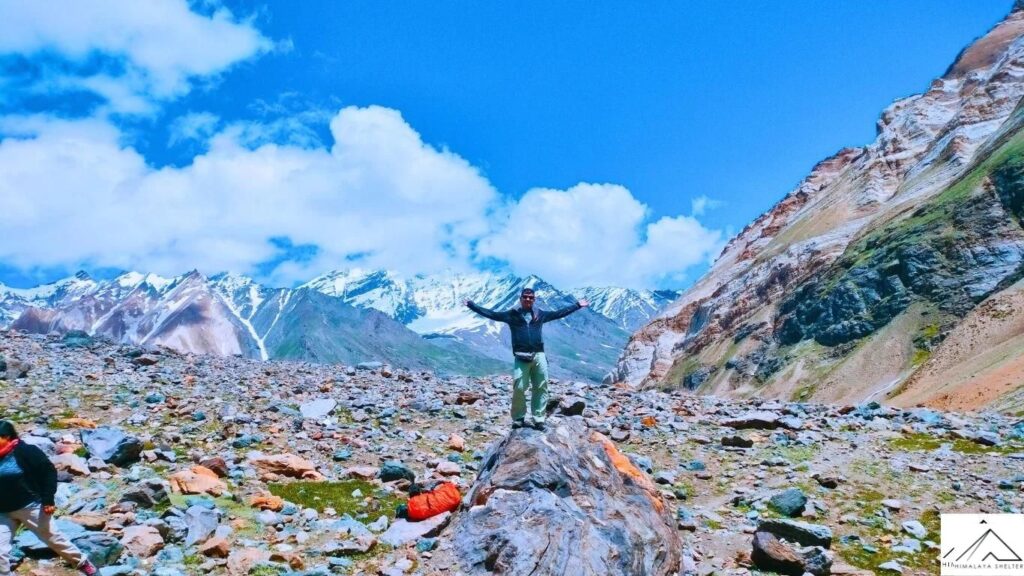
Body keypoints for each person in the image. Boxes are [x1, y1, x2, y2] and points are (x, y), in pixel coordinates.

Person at [465, 287, 588, 430]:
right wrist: (472, 305)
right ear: (520, 299)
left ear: (534, 300)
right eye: (525, 297)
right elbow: (492, 314)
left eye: (531, 297)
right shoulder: (512, 315)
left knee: (541, 387)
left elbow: (558, 314)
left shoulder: (540, 314)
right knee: (519, 387)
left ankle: (539, 418)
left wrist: (577, 305)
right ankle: (518, 418)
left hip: (539, 355)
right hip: (521, 356)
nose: (528, 299)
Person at [0, 420, 97, 575]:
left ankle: (82, 563)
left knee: (53, 538)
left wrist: (47, 500)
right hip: (3, 511)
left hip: (31, 506)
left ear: (7, 437)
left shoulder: (26, 451)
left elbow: (48, 473)